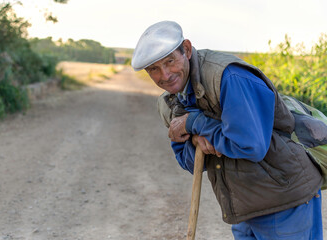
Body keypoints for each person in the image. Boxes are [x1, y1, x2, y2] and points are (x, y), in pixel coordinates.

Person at [131, 20, 323, 240]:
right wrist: (193, 139)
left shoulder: (229, 77)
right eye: (154, 69)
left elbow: (250, 145)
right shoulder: (172, 100)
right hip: (243, 207)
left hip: (285, 201)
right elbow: (188, 161)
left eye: (170, 61)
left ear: (186, 49)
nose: (165, 75)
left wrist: (195, 123)